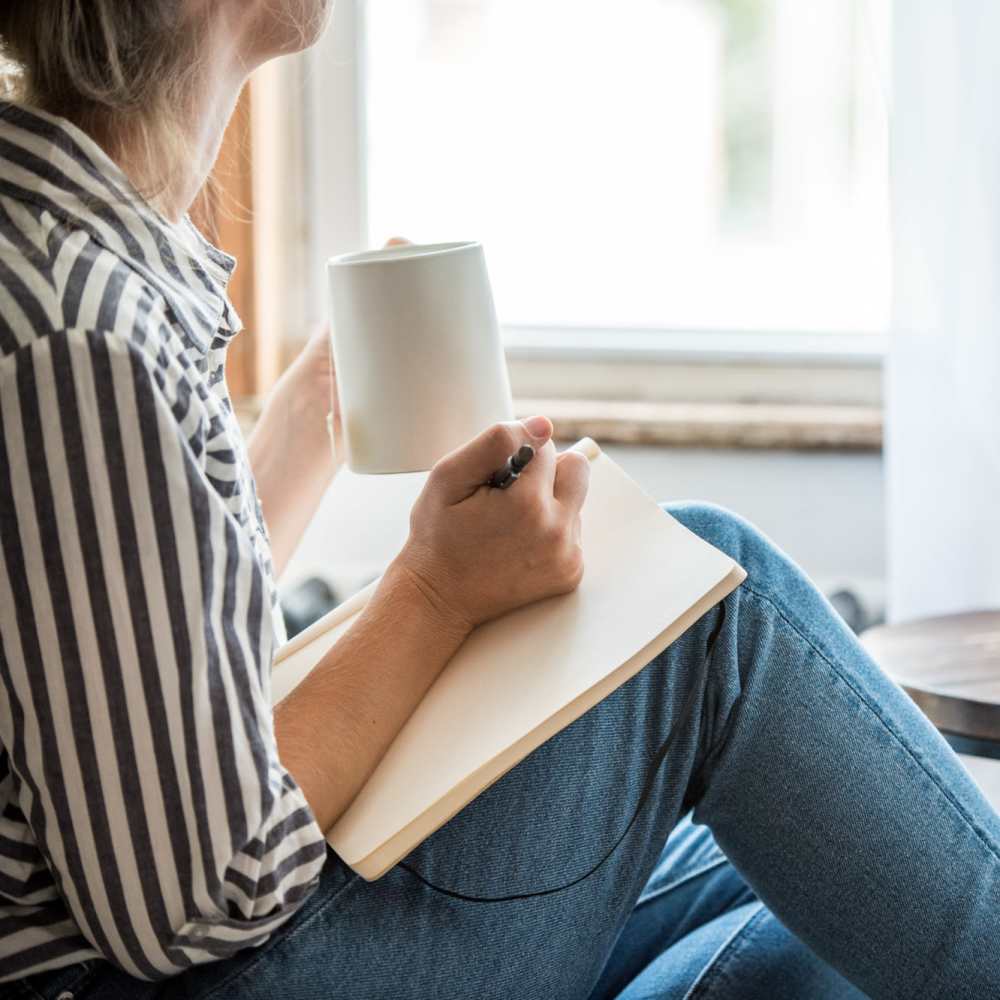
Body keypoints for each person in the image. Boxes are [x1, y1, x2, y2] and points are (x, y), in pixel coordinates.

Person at [0, 3, 997, 998]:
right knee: (717, 602)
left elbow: (143, 679)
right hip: (179, 977)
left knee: (825, 854)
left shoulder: (69, 251)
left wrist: (310, 424)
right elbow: (198, 892)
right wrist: (434, 592)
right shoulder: (81, 334)